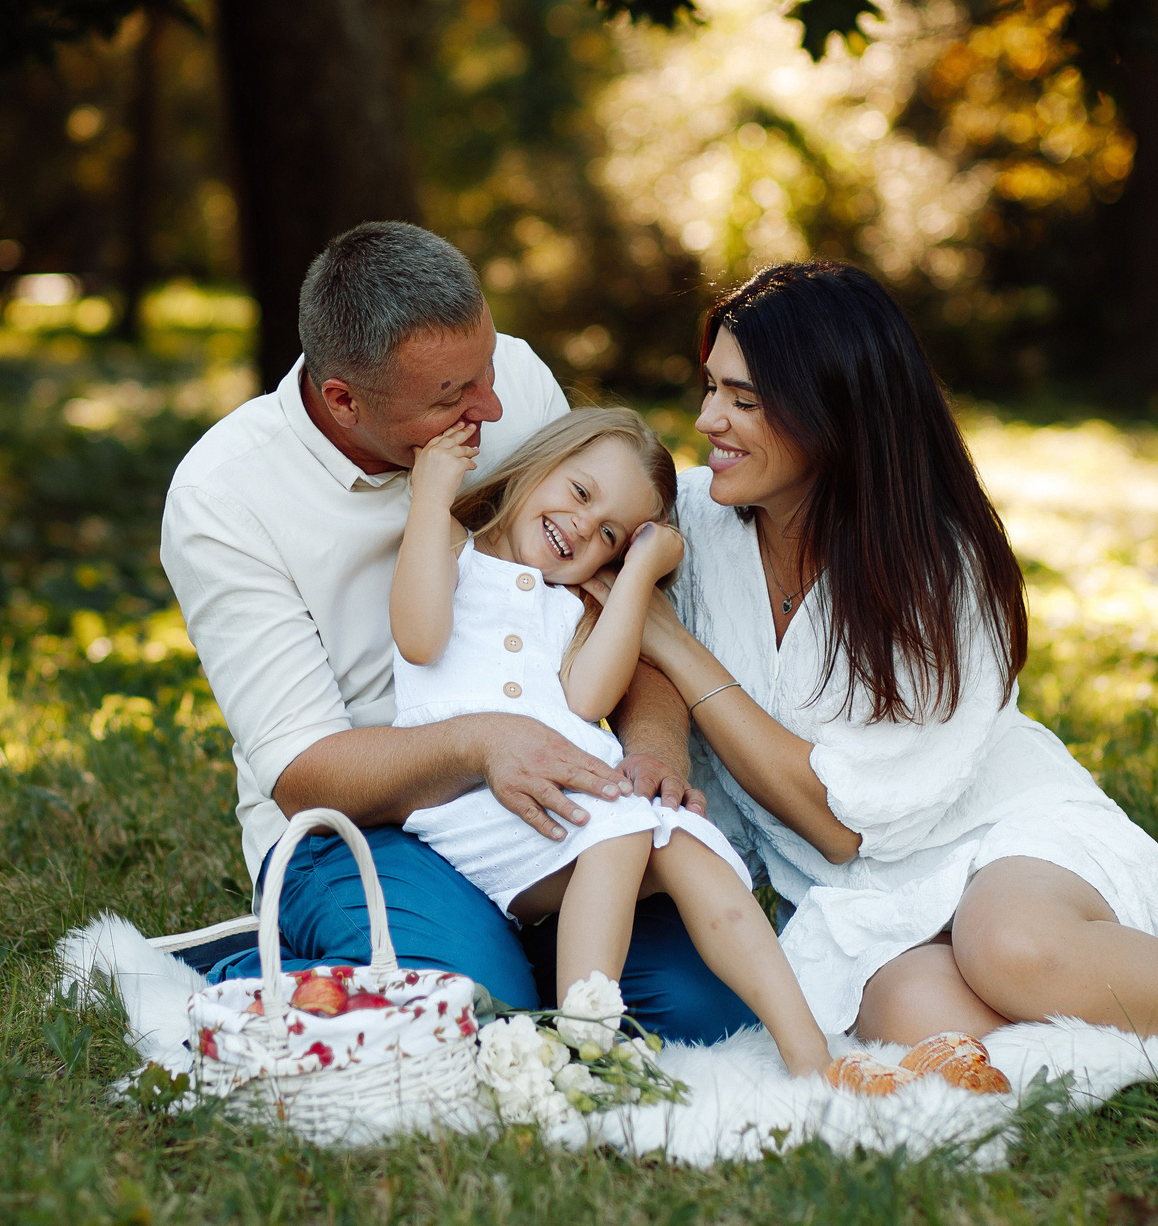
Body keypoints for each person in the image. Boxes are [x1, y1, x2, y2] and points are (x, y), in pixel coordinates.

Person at [623, 260, 1158, 1061]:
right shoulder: (693, 517)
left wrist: (674, 643)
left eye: (744, 401)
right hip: (863, 905)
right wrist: (656, 735)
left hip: (1003, 840)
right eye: (711, 387)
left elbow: (837, 821)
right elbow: (620, 619)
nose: (709, 418)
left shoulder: (937, 567)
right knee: (918, 1013)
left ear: (835, 411)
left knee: (1010, 945)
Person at [158, 220, 758, 1041]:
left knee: (708, 1008)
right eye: (453, 398)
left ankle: (498, 947)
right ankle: (250, 969)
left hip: (555, 794)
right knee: (472, 1008)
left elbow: (618, 602)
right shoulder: (224, 497)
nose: (495, 406)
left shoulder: (502, 381)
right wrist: (482, 743)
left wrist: (654, 745)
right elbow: (304, 773)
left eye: (488, 369)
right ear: (344, 399)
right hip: (363, 822)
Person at [391, 405, 900, 1087]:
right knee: (623, 829)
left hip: (572, 800)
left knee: (690, 840)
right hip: (473, 798)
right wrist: (431, 493)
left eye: (609, 534)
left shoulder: (570, 602)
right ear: (539, 463)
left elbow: (588, 700)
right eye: (578, 491)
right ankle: (583, 1047)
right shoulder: (453, 544)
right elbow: (419, 636)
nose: (581, 525)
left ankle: (811, 1057)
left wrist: (634, 577)